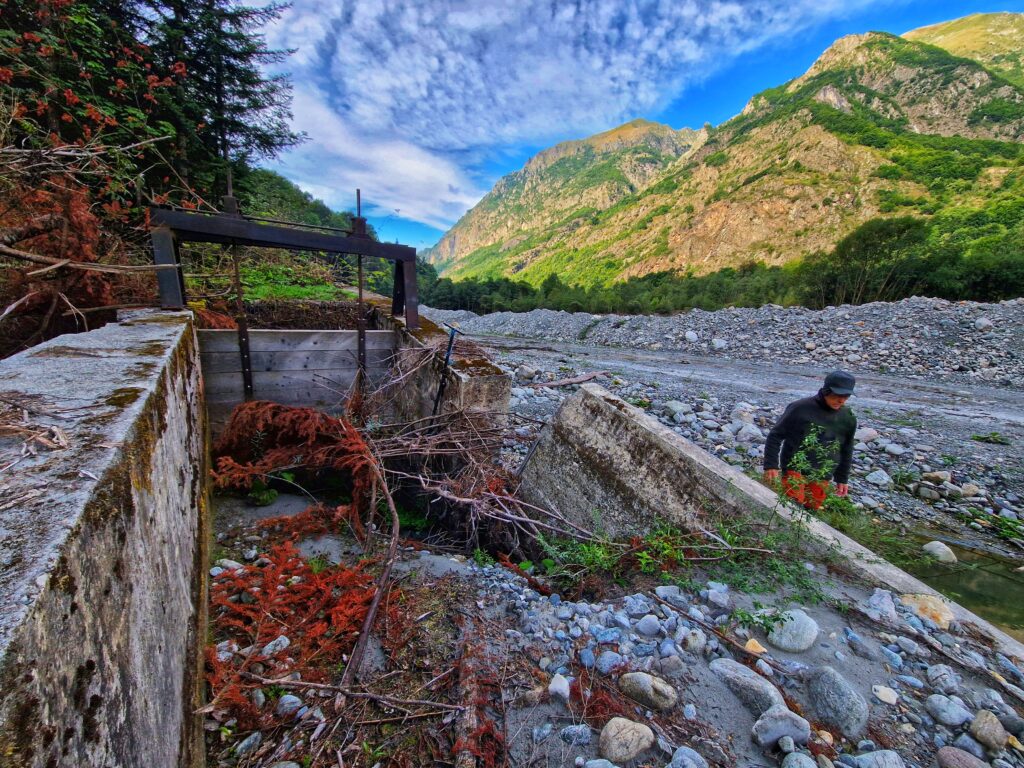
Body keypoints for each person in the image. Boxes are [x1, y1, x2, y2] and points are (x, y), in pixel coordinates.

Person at [762, 370, 858, 510]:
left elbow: (846, 448)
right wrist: (771, 465)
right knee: (791, 508)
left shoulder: (847, 417)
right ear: (826, 390)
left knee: (811, 510)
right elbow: (775, 435)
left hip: (822, 473)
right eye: (838, 395)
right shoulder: (800, 408)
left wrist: (842, 478)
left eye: (846, 396)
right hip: (795, 467)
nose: (842, 400)